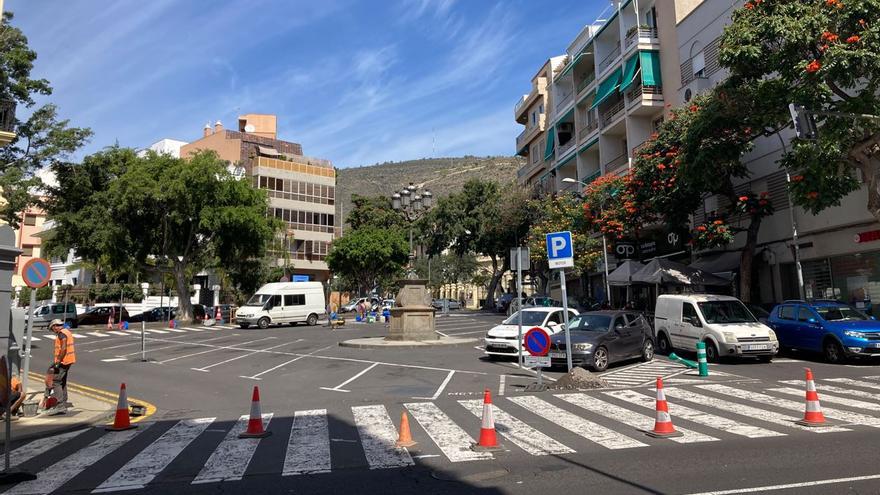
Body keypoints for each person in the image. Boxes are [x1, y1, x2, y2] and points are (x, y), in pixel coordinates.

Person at [48, 319, 76, 415]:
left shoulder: (61, 334)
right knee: (62, 381)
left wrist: (58, 361)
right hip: (68, 360)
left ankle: (60, 405)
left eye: (52, 328)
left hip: (63, 361)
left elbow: (63, 348)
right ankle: (63, 402)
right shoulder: (67, 332)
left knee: (56, 381)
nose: (53, 331)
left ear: (56, 326)